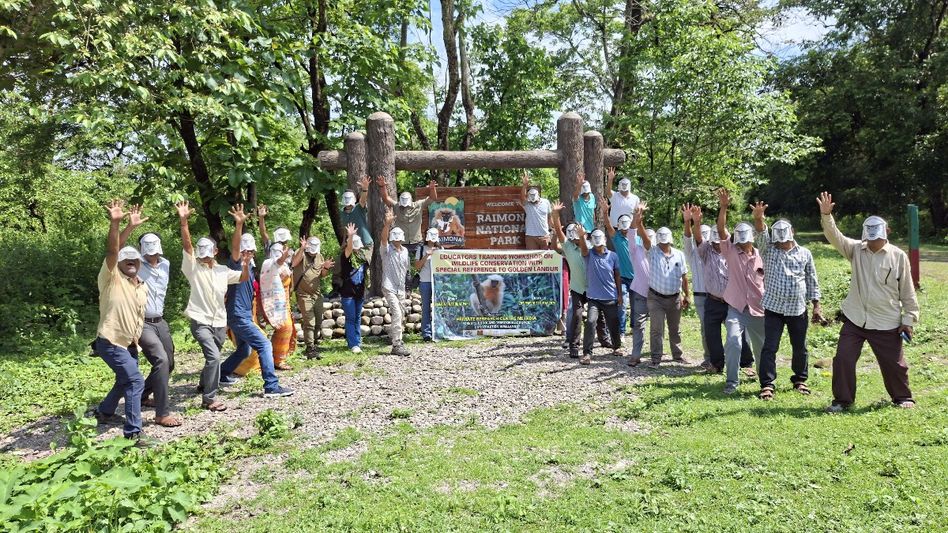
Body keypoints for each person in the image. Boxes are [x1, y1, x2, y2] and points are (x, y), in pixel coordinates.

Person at [818, 192, 919, 412]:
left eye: (878, 233)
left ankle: (902, 397)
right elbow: (835, 237)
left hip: (886, 321)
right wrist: (827, 216)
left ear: (887, 233)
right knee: (843, 359)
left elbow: (908, 292)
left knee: (894, 365)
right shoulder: (856, 250)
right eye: (869, 234)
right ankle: (842, 401)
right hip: (855, 319)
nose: (873, 238)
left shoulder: (898, 256)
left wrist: (908, 319)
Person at [89, 200, 155, 447]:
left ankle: (105, 412)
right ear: (118, 264)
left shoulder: (140, 286)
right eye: (126, 260)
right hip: (110, 341)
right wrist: (117, 223)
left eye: (135, 260)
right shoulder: (110, 279)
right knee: (135, 381)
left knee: (124, 379)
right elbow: (112, 251)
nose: (131, 262)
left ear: (139, 263)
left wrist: (131, 225)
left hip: (129, 343)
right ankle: (133, 433)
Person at [177, 200, 249, 412]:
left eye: (209, 250)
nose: (205, 253)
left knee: (212, 359)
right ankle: (209, 398)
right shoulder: (192, 268)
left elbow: (243, 278)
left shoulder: (222, 271)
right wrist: (183, 223)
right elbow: (187, 246)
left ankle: (203, 384)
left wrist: (245, 263)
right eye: (202, 250)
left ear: (216, 251)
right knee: (214, 357)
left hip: (219, 322)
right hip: (200, 321)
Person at [219, 204, 294, 398]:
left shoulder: (250, 268)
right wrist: (238, 225)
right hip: (238, 315)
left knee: (244, 350)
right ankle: (271, 385)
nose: (249, 254)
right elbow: (236, 249)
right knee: (264, 344)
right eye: (246, 251)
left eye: (251, 251)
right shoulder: (236, 264)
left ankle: (220, 373)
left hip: (241, 315)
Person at [753, 203, 823, 400]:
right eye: (778, 232)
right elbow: (760, 231)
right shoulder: (768, 250)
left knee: (799, 346)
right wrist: (759, 217)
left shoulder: (805, 253)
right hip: (774, 307)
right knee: (770, 347)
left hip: (797, 308)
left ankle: (800, 380)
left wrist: (816, 305)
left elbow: (811, 279)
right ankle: (767, 384)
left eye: (786, 231)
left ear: (792, 232)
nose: (782, 237)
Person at [691, 205, 756, 375]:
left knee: (737, 334)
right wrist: (696, 222)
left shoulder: (733, 251)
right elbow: (698, 238)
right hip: (712, 300)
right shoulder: (706, 251)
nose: (717, 243)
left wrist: (724, 208)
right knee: (712, 334)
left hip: (731, 301)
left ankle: (746, 363)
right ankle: (717, 364)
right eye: (714, 239)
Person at [715, 189, 765, 395]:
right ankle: (731, 382)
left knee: (762, 348)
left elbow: (763, 232)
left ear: (752, 237)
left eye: (747, 236)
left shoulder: (762, 254)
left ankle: (766, 382)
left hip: (758, 308)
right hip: (736, 307)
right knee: (734, 342)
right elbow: (720, 230)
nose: (743, 241)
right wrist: (724, 207)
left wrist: (759, 218)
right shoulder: (730, 251)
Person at [551, 201, 615, 357]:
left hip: (593, 287)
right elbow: (559, 231)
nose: (574, 236)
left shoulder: (590, 246)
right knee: (577, 316)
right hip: (578, 288)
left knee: (598, 316)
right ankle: (574, 346)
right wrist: (555, 214)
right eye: (571, 233)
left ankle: (604, 338)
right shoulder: (567, 247)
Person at [133, 231, 181, 427]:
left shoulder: (166, 264)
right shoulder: (133, 264)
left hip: (160, 320)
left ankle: (143, 395)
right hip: (142, 322)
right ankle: (162, 413)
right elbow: (114, 254)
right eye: (147, 244)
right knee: (160, 360)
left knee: (169, 363)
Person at [639, 212, 690, 367]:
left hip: (674, 297)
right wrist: (639, 219)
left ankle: (677, 355)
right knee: (656, 329)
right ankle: (656, 358)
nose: (663, 241)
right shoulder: (652, 251)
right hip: (655, 298)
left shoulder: (679, 255)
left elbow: (684, 276)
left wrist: (687, 295)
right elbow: (644, 237)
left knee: (675, 329)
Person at [579, 227, 623, 365]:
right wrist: (581, 237)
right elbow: (584, 249)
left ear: (604, 240)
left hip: (610, 297)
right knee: (591, 322)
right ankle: (587, 353)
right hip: (594, 299)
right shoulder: (589, 255)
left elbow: (617, 276)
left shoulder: (613, 256)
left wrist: (620, 294)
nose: (598, 243)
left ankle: (617, 347)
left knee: (613, 324)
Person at [378, 176, 438, 263]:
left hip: (417, 242)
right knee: (403, 266)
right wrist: (383, 186)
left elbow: (432, 198)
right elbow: (386, 198)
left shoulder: (419, 205)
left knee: (419, 264)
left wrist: (432, 189)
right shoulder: (397, 206)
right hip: (401, 242)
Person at [292, 236, 334, 359]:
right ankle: (310, 348)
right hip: (303, 293)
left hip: (317, 293)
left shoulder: (319, 257)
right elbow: (294, 263)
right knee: (309, 321)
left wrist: (325, 267)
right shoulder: (301, 254)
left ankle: (314, 343)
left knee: (318, 321)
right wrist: (302, 248)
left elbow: (322, 275)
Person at [682, 205, 712, 368]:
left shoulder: (717, 252)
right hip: (701, 295)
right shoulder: (691, 252)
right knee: (706, 328)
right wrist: (688, 222)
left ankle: (732, 357)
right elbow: (687, 238)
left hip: (720, 296)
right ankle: (709, 357)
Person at [259, 242, 295, 371]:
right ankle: (277, 360)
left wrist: (301, 248)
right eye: (276, 250)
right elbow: (277, 263)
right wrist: (283, 257)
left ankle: (276, 358)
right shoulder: (269, 264)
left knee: (286, 329)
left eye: (281, 251)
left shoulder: (284, 265)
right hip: (273, 302)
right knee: (285, 328)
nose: (278, 253)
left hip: (284, 301)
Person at [626, 205, 654, 367]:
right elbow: (631, 234)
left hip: (657, 294)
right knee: (638, 325)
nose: (646, 239)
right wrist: (636, 218)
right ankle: (636, 355)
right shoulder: (635, 250)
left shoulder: (658, 251)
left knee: (657, 326)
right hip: (640, 293)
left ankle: (656, 354)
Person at [380, 208, 411, 356]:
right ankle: (396, 344)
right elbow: (383, 240)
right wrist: (387, 224)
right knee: (397, 313)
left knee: (401, 315)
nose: (397, 239)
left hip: (401, 287)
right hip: (389, 286)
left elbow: (406, 270)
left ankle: (397, 339)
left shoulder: (405, 251)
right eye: (395, 237)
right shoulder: (386, 250)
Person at [603, 203, 635, 337]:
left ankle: (634, 327)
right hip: (622, 277)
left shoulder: (636, 238)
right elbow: (608, 226)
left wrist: (639, 215)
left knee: (636, 305)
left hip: (636, 277)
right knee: (621, 304)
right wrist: (605, 212)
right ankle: (621, 331)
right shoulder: (617, 238)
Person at [338, 223, 370, 353]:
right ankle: (353, 344)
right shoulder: (346, 256)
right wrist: (350, 236)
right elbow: (349, 250)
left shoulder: (362, 257)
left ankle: (357, 341)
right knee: (350, 318)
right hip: (348, 293)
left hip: (359, 292)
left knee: (357, 318)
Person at [415, 228, 442, 342]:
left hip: (437, 283)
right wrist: (426, 255)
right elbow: (417, 266)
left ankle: (439, 331)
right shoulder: (421, 249)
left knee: (439, 308)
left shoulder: (441, 249)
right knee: (426, 308)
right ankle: (426, 333)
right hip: (425, 282)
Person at [340, 175, 373, 260]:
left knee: (365, 269)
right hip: (352, 245)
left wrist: (365, 189)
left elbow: (363, 200)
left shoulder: (358, 208)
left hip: (365, 243)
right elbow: (345, 228)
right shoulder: (342, 212)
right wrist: (344, 241)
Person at [520, 171, 553, 250]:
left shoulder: (546, 202)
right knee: (532, 259)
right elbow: (522, 198)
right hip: (531, 236)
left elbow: (549, 217)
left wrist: (551, 231)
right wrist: (525, 185)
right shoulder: (528, 204)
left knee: (546, 259)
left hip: (544, 235)